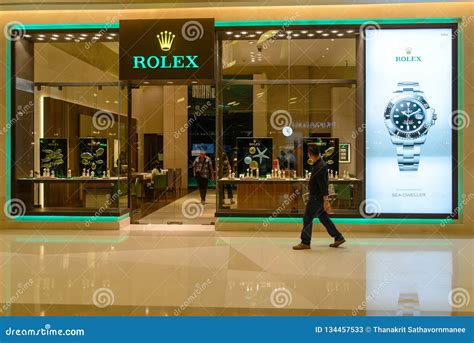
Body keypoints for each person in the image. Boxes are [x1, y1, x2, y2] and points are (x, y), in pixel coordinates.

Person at [293, 145, 345, 250]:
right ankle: (338, 237)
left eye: (308, 153)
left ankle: (305, 242)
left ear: (310, 154)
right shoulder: (319, 164)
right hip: (318, 197)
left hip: (316, 198)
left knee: (307, 218)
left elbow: (323, 185)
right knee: (323, 218)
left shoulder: (320, 166)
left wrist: (326, 200)